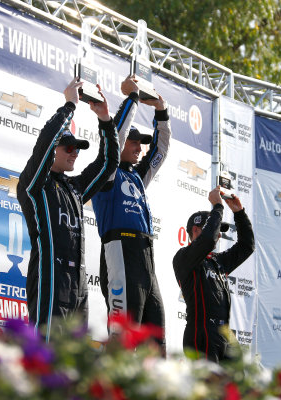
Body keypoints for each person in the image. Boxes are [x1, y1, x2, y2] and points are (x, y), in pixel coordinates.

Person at [17, 78, 119, 341]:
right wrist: (70, 105)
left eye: (78, 148)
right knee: (47, 358)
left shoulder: (75, 189)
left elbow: (108, 163)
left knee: (73, 366)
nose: (75, 153)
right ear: (53, 152)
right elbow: (43, 144)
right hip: (50, 281)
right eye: (69, 147)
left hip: (79, 287)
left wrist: (106, 121)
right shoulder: (35, 185)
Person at [91, 76, 171, 354]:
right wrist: (132, 98)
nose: (138, 147)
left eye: (140, 143)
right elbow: (116, 135)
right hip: (120, 254)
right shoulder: (106, 174)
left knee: (156, 344)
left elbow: (160, 150)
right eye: (134, 142)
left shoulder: (138, 176)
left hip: (146, 259)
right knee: (122, 342)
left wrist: (161, 112)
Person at [173, 186, 255, 362]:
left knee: (235, 386)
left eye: (219, 231)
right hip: (201, 335)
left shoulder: (218, 261)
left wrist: (239, 213)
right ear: (195, 231)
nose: (218, 236)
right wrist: (218, 207)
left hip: (224, 335)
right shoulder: (184, 258)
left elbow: (247, 246)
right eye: (215, 230)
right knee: (207, 387)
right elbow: (208, 240)